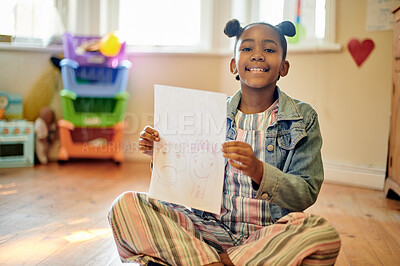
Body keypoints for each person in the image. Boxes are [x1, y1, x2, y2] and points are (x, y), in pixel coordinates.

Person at [108, 19, 341, 265]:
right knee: (125, 205)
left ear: (284, 67)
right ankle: (224, 260)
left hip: (268, 235)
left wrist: (259, 170)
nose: (258, 56)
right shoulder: (209, 113)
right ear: (233, 66)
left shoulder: (303, 118)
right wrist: (161, 154)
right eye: (247, 49)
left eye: (269, 50)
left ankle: (213, 261)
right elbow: (181, 185)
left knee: (320, 232)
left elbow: (305, 194)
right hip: (209, 230)